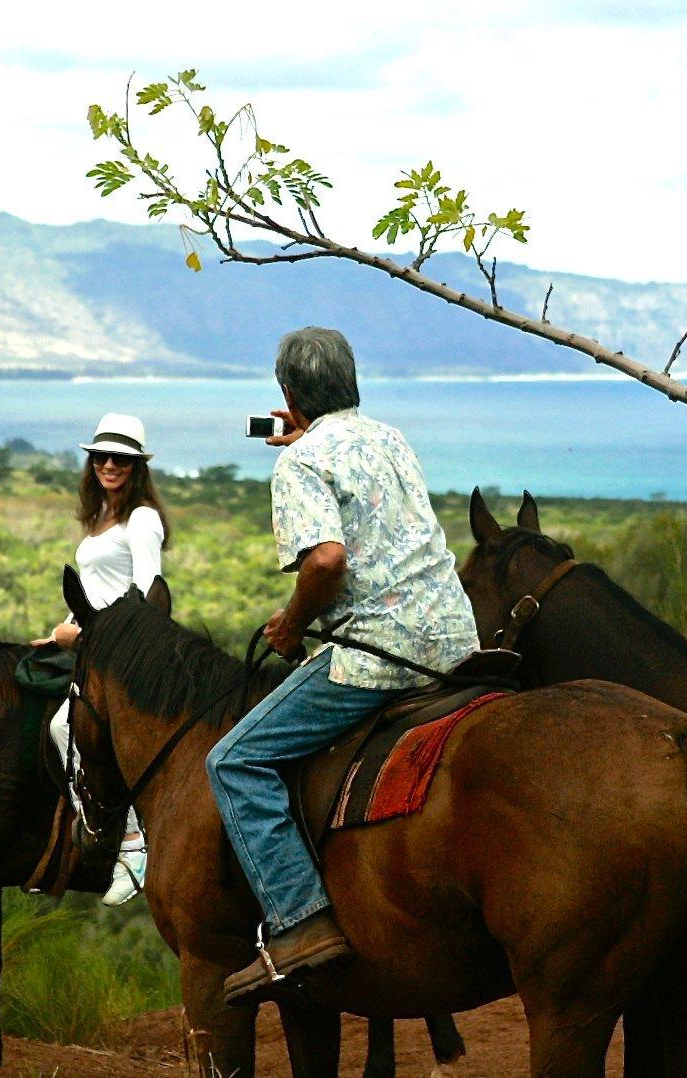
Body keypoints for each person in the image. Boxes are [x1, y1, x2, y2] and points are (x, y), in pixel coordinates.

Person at [206, 327, 478, 1005]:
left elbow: (326, 560)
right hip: (456, 643)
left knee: (233, 762)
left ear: (287, 396)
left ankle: (300, 923)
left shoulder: (299, 464)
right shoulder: (390, 439)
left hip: (378, 656)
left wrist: (292, 624)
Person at [36, 412, 169, 906]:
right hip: (91, 643)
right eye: (101, 457)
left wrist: (85, 638)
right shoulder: (100, 518)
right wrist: (58, 633)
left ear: (136, 467)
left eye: (121, 459)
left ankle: (130, 842)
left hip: (122, 652)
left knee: (64, 728)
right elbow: (94, 590)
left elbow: (145, 591)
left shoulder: (142, 519)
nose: (109, 465)